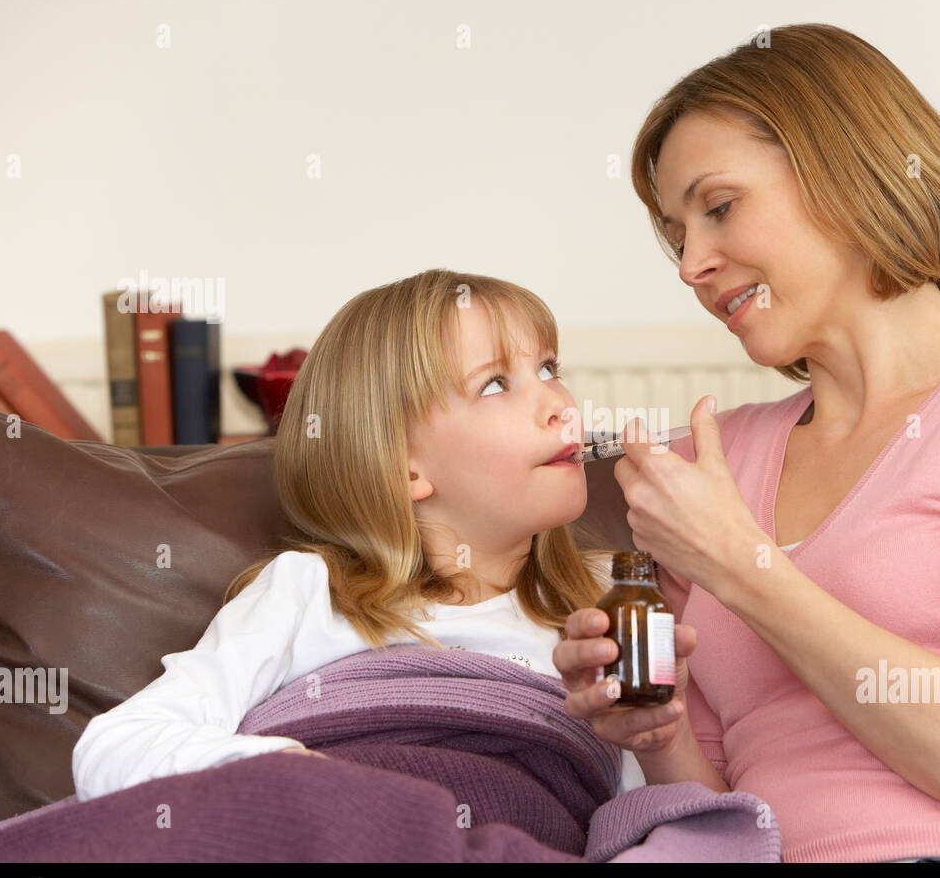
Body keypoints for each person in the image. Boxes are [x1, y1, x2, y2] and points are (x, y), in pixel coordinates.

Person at [552, 23, 940, 862]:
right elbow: (722, 818)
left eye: (719, 208)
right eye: (677, 235)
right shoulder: (711, 462)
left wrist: (742, 564)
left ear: (847, 167)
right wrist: (655, 731)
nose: (692, 264)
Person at [71, 268, 650, 802]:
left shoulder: (609, 604)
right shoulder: (307, 593)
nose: (560, 406)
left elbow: (640, 810)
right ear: (403, 467)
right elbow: (119, 744)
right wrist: (312, 786)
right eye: (496, 384)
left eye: (550, 369)